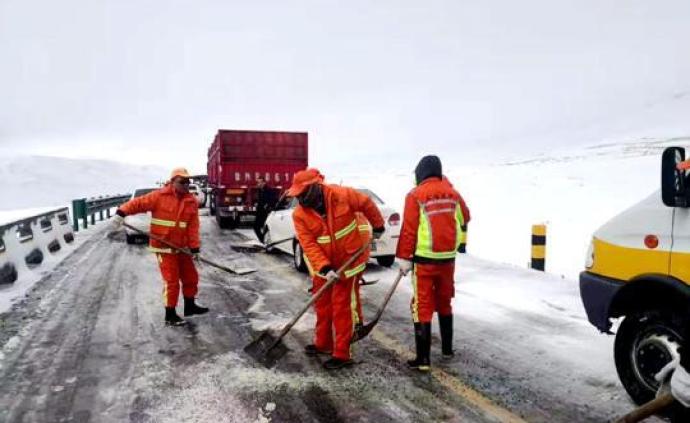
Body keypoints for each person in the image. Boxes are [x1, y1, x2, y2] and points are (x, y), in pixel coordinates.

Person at [287, 168, 385, 370]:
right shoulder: (299, 215)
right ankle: (323, 344)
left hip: (350, 259)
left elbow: (366, 204)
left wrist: (378, 226)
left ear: (315, 187)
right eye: (297, 196)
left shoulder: (342, 195)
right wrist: (324, 267)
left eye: (303, 194)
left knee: (341, 306)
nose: (301, 199)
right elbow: (309, 244)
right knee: (322, 304)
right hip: (323, 264)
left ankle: (342, 353)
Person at [395, 155, 470, 371]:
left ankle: (423, 359)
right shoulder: (453, 193)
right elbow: (466, 217)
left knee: (423, 305)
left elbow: (409, 230)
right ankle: (447, 350)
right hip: (448, 259)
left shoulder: (415, 195)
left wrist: (405, 258)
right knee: (445, 301)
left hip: (425, 260)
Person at [110, 167, 209, 326]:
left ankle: (190, 306)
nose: (186, 184)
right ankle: (170, 315)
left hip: (182, 247)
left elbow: (193, 228)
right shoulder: (159, 196)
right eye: (182, 181)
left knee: (191, 277)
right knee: (172, 281)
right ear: (172, 182)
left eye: (187, 181)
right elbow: (137, 203)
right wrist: (121, 213)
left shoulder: (191, 201)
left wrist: (195, 248)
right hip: (164, 246)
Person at [253, 176, 277, 243]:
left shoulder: (269, 190)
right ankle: (263, 241)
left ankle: (266, 241)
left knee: (264, 227)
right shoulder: (260, 190)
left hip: (265, 212)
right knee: (256, 227)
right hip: (260, 212)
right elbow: (260, 200)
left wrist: (267, 206)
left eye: (259, 182)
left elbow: (273, 200)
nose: (258, 184)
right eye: (257, 182)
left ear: (264, 183)